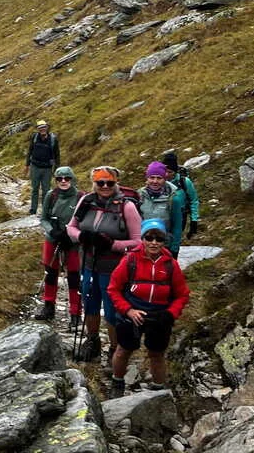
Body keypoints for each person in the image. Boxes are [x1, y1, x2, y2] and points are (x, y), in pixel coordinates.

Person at [107, 219, 191, 396]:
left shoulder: (171, 264)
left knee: (157, 354)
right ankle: (117, 383)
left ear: (164, 241)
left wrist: (170, 314)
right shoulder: (130, 260)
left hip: (160, 316)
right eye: (149, 237)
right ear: (142, 239)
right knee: (123, 350)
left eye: (159, 239)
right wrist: (128, 310)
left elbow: (182, 294)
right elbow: (113, 288)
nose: (154, 242)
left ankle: (159, 389)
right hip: (131, 314)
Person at [68, 166, 143, 362]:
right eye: (100, 182)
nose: (105, 186)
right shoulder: (86, 201)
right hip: (88, 264)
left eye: (109, 182)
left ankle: (115, 350)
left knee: (112, 310)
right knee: (90, 304)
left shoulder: (126, 206)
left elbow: (138, 242)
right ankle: (92, 341)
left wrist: (113, 244)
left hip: (114, 269)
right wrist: (81, 236)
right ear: (94, 183)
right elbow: (71, 227)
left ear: (116, 183)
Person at [34, 166, 82, 325]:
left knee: (74, 277)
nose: (63, 181)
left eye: (67, 178)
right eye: (59, 179)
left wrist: (72, 235)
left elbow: (84, 221)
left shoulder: (81, 197)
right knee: (50, 272)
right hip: (53, 239)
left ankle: (76, 313)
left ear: (72, 179)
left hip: (73, 242)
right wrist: (52, 231)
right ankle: (49, 307)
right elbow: (44, 218)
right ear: (55, 180)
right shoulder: (51, 195)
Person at [138, 162, 186, 257]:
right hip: (143, 246)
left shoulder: (173, 199)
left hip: (165, 246)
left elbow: (177, 226)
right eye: (152, 177)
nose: (155, 181)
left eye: (159, 178)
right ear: (147, 178)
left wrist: (174, 249)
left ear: (165, 179)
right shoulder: (139, 196)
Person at [162, 152, 200, 239]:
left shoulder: (184, 182)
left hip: (180, 217)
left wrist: (194, 221)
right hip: (162, 216)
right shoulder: (158, 181)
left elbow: (194, 201)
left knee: (174, 241)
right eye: (165, 171)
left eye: (170, 172)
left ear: (175, 172)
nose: (167, 174)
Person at [25, 120, 60, 215]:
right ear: (38, 129)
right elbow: (30, 151)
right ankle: (33, 209)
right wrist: (27, 165)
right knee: (35, 189)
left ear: (47, 127)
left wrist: (57, 169)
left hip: (47, 168)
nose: (42, 129)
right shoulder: (34, 137)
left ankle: (45, 211)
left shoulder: (53, 139)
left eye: (44, 127)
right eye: (40, 128)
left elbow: (57, 155)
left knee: (46, 190)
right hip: (35, 167)